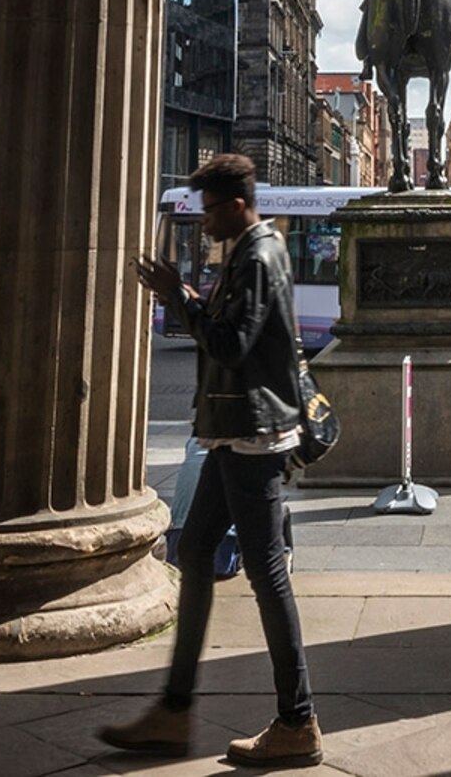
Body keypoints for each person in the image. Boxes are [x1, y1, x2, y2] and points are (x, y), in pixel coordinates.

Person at [103, 152, 320, 768]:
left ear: (235, 205)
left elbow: (230, 342)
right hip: (234, 434)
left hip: (253, 440)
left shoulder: (256, 255)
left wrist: (179, 297)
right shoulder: (249, 253)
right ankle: (173, 712)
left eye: (207, 211)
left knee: (267, 575)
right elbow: (232, 332)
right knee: (194, 551)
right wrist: (194, 296)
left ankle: (297, 719)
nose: (202, 223)